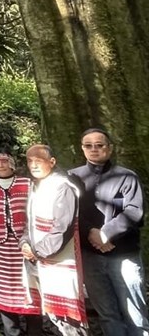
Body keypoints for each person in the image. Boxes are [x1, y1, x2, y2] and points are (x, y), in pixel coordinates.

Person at [69, 128, 149, 336]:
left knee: (135, 312)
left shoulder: (126, 176)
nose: (94, 149)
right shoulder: (73, 177)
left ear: (110, 148)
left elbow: (134, 211)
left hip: (123, 256)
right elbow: (70, 211)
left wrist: (106, 234)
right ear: (82, 148)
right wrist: (92, 234)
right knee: (107, 313)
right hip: (91, 256)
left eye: (99, 144)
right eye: (88, 145)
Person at [20, 144, 87, 336]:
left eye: (38, 161)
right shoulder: (37, 185)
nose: (33, 165)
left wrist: (37, 251)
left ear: (52, 162)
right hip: (39, 260)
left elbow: (63, 227)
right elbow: (30, 222)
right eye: (30, 161)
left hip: (57, 261)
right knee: (55, 316)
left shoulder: (62, 186)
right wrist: (24, 243)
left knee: (68, 318)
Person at [0, 152, 42, 336]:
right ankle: (12, 332)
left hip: (26, 247)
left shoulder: (26, 184)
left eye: (4, 162)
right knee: (4, 290)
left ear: (12, 164)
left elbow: (36, 213)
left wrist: (35, 243)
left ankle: (35, 331)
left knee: (31, 287)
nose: (1, 165)